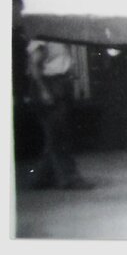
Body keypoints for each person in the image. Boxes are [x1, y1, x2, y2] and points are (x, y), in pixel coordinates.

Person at [26, 40, 94, 190]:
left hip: (61, 84)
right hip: (48, 85)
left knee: (56, 135)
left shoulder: (58, 37)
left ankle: (41, 179)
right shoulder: (41, 38)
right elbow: (34, 65)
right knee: (58, 135)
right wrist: (43, 91)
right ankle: (70, 179)